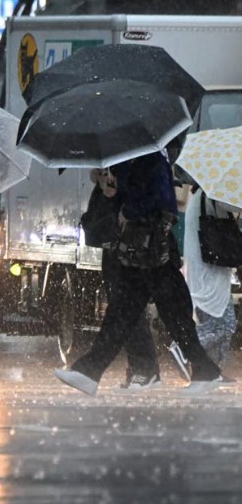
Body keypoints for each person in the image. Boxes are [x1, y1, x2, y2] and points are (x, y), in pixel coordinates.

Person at [56, 152, 224, 395]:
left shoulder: (153, 161)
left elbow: (163, 200)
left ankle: (91, 371)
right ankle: (89, 371)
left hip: (153, 253)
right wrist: (109, 186)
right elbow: (126, 196)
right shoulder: (130, 161)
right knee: (127, 314)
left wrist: (130, 210)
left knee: (159, 316)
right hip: (139, 256)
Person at [88, 168, 162, 390]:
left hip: (128, 250)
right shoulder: (113, 175)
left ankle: (145, 369)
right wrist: (103, 186)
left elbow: (137, 208)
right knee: (124, 309)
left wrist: (116, 191)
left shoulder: (136, 172)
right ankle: (139, 368)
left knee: (129, 310)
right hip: (113, 250)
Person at [184, 187, 239, 369]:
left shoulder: (200, 194)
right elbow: (232, 203)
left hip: (211, 267)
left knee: (219, 322)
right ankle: (185, 349)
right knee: (225, 324)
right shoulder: (211, 193)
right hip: (208, 270)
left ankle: (211, 370)